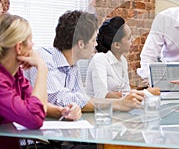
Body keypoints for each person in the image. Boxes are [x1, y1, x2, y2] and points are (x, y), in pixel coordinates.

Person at [25, 10, 144, 113]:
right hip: (39, 136)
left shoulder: (72, 66)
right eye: (93, 40)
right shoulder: (44, 57)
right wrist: (118, 104)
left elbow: (82, 98)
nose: (96, 44)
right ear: (81, 44)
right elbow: (59, 99)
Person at [0, 13, 48, 149]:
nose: (33, 45)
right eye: (31, 40)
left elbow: (35, 105)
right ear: (19, 47)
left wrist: (61, 111)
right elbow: (35, 118)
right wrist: (42, 68)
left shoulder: (16, 74)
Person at [85, 16, 132, 98]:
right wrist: (133, 94)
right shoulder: (100, 59)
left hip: (116, 108)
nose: (132, 40)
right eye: (129, 38)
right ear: (117, 45)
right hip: (96, 109)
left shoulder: (123, 61)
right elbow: (101, 95)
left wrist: (131, 95)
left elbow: (126, 91)